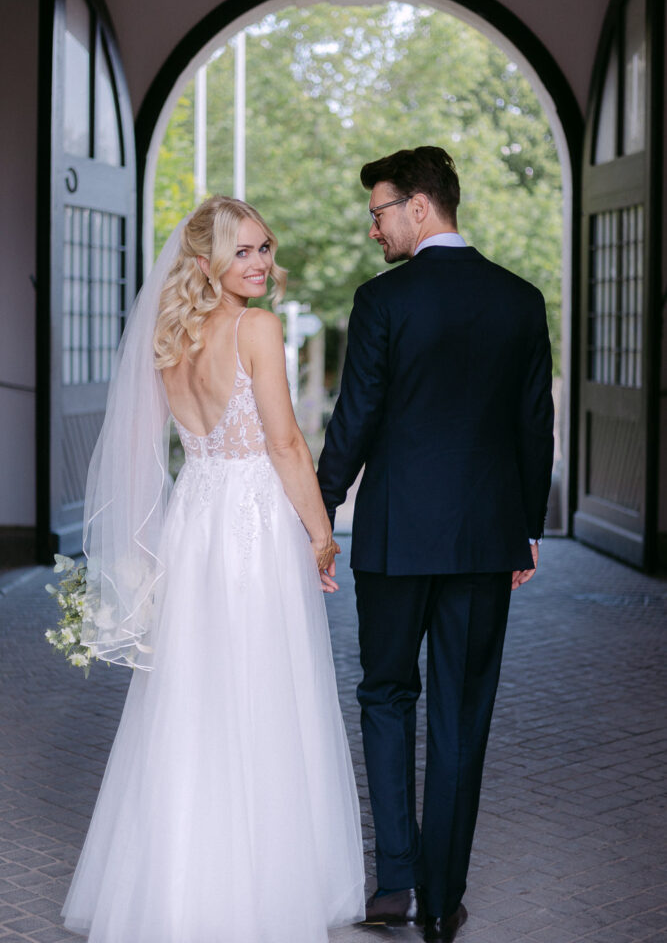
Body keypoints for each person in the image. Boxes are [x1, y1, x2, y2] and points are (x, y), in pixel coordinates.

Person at [61, 196, 365, 943]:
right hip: (254, 529)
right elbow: (288, 446)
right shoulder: (254, 329)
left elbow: (146, 449)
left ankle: (173, 887)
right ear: (205, 264)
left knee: (191, 699)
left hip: (194, 525)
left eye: (264, 247)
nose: (260, 264)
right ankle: (257, 893)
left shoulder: (169, 338)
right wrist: (322, 537)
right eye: (243, 253)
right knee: (262, 692)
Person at [317, 146, 554, 943]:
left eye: (379, 210)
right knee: (460, 712)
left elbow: (355, 419)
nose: (373, 227)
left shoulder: (383, 301)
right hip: (485, 539)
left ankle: (393, 884)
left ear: (420, 207)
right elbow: (533, 424)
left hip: (391, 539)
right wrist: (523, 530)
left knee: (386, 697)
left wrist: (318, 513)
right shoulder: (519, 301)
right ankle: (442, 902)